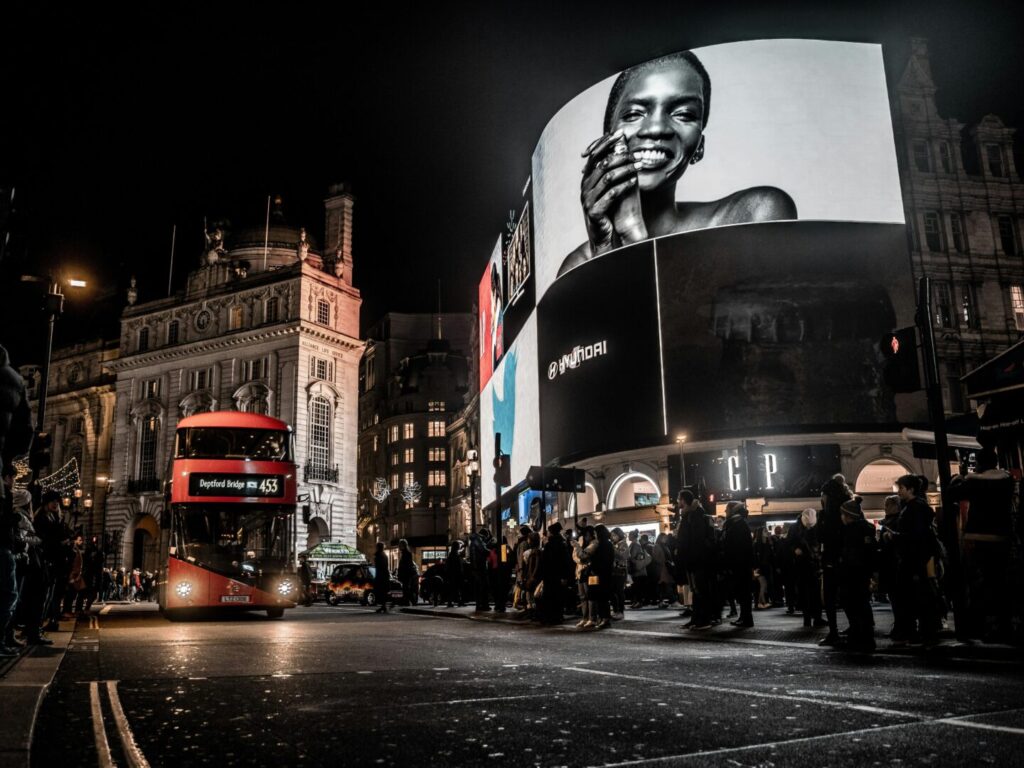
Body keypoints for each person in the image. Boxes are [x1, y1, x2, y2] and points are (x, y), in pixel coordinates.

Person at [560, 50, 796, 276]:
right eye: (634, 114)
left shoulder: (752, 215)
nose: (656, 128)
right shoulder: (579, 263)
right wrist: (606, 252)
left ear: (699, 146)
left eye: (683, 114)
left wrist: (634, 241)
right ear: (605, 139)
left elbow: (758, 318)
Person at [889, 474, 942, 647]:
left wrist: (894, 536)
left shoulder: (914, 508)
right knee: (917, 595)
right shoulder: (914, 507)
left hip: (913, 558)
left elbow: (914, 536)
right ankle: (923, 630)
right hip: (915, 557)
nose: (899, 492)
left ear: (910, 489)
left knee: (915, 595)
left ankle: (922, 631)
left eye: (901, 488)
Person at [837, 496, 878, 652]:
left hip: (851, 573)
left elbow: (849, 554)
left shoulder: (849, 532)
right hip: (863, 573)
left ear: (848, 516)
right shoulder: (867, 530)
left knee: (852, 604)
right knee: (863, 605)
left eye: (842, 515)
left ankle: (858, 636)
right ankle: (867, 636)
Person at [818, 474, 853, 646]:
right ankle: (855, 627)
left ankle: (834, 632)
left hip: (833, 558)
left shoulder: (828, 515)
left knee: (830, 597)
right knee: (848, 596)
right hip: (846, 559)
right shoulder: (846, 507)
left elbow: (821, 536)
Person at [675, 490, 717, 630]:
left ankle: (704, 620)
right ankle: (696, 618)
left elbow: (696, 539)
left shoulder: (695, 514)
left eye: (678, 499)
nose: (677, 502)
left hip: (697, 560)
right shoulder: (689, 514)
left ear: (684, 500)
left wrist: (690, 556)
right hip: (692, 560)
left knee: (700, 590)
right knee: (695, 590)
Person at [789, 508, 825, 628]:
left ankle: (815, 618)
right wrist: (795, 549)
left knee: (813, 593)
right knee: (806, 593)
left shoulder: (807, 527)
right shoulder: (795, 528)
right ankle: (809, 618)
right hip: (803, 565)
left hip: (812, 564)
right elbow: (789, 543)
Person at [722, 502, 754, 628]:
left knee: (743, 592)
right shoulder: (739, 523)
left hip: (740, 564)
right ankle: (744, 617)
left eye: (727, 509)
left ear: (732, 510)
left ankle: (746, 618)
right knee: (742, 592)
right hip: (741, 563)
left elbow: (736, 546)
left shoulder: (737, 524)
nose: (725, 512)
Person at [538, 523, 568, 625]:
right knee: (558, 597)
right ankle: (557, 616)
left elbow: (544, 561)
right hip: (558, 575)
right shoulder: (562, 543)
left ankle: (549, 617)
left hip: (549, 575)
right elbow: (565, 561)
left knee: (549, 597)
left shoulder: (549, 545)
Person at [396, 539, 417, 606]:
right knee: (405, 589)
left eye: (400, 545)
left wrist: (402, 572)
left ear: (403, 545)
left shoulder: (407, 554)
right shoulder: (404, 553)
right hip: (405, 574)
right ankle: (407, 601)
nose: (399, 547)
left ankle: (411, 601)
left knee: (406, 589)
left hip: (406, 575)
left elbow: (407, 565)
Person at [444, 541, 465, 608]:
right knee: (457, 588)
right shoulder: (455, 555)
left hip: (452, 574)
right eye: (458, 545)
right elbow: (458, 565)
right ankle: (458, 602)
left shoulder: (452, 554)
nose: (459, 546)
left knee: (454, 589)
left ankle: (454, 602)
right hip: (455, 574)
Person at [372, 542, 390, 614]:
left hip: (381, 575)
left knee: (381, 590)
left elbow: (379, 566)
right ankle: (383, 606)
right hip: (383, 574)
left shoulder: (380, 555)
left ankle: (383, 606)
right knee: (382, 591)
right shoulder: (383, 555)